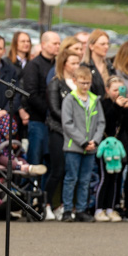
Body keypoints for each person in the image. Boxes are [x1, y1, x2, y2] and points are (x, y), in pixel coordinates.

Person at [61, 66, 105, 222]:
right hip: (74, 147)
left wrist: (95, 140)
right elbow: (67, 123)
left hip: (91, 147)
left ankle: (81, 209)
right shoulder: (69, 99)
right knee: (71, 178)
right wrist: (83, 141)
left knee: (85, 179)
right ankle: (67, 209)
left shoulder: (95, 100)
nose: (85, 86)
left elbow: (101, 122)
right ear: (75, 81)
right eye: (82, 83)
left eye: (88, 83)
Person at [45, 47, 83, 220]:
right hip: (58, 131)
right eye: (73, 63)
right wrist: (72, 122)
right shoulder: (55, 83)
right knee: (57, 169)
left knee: (72, 172)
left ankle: (64, 206)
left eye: (78, 63)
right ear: (64, 64)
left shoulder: (80, 84)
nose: (77, 66)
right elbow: (54, 110)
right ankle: (46, 204)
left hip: (77, 134)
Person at [97, 75, 128, 222]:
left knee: (117, 179)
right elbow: (106, 122)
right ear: (107, 90)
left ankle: (112, 208)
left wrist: (127, 110)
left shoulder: (126, 103)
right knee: (105, 178)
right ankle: (99, 208)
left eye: (121, 89)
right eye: (115, 90)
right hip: (106, 146)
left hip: (120, 146)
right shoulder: (104, 103)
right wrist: (116, 107)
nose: (118, 93)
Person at [21, 31, 60, 168]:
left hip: (55, 123)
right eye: (55, 43)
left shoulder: (58, 66)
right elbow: (31, 94)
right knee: (35, 159)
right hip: (38, 120)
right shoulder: (33, 65)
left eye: (59, 43)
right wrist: (50, 111)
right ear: (43, 44)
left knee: (51, 161)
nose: (58, 46)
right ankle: (31, 188)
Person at [82, 29, 112, 97]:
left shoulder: (110, 67)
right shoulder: (84, 68)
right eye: (102, 44)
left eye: (108, 44)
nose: (106, 47)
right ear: (91, 46)